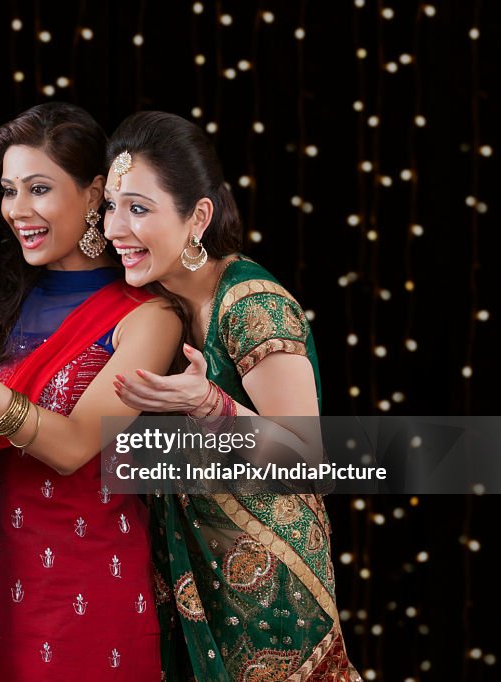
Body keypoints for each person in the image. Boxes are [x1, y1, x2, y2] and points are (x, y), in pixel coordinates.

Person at [0, 102, 180, 680]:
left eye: (38, 189)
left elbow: (70, 449)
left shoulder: (149, 315)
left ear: (95, 194)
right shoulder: (2, 298)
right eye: (10, 190)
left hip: (95, 588)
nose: (18, 211)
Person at [103, 111, 360, 680]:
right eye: (112, 205)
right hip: (194, 578)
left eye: (138, 208)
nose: (116, 228)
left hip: (270, 591)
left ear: (197, 217)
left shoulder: (251, 304)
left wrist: (210, 407)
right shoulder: (161, 294)